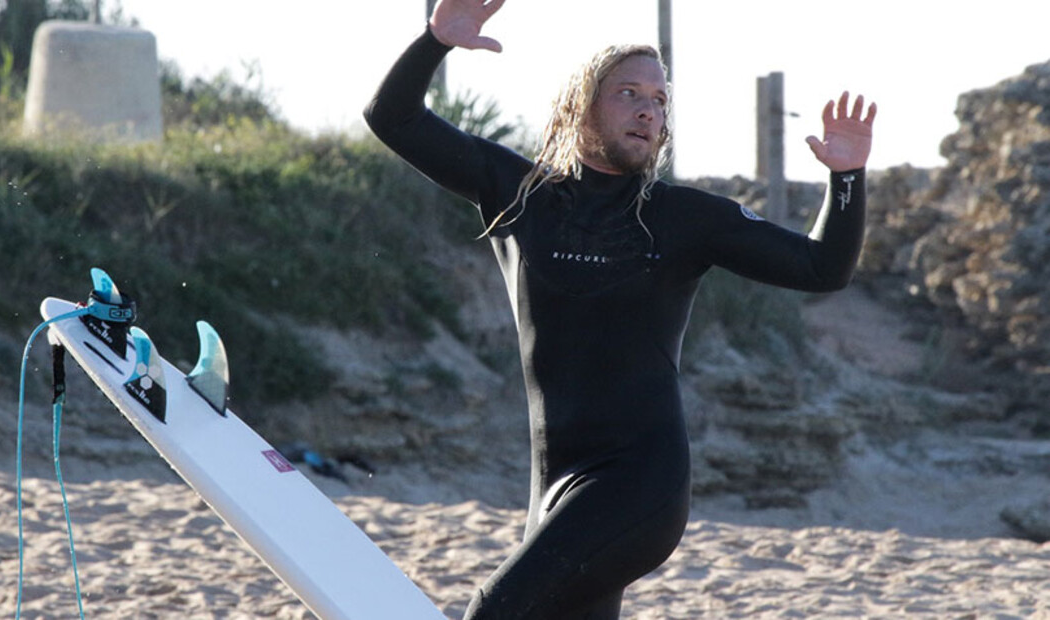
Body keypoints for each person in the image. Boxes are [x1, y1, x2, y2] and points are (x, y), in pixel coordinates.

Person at [363, 1, 876, 618]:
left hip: (640, 483)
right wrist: (435, 41)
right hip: (553, 483)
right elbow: (392, 117)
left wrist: (847, 178)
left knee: (493, 614)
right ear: (582, 106)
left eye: (659, 100)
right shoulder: (518, 194)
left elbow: (823, 268)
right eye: (628, 93)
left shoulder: (683, 218)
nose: (647, 109)